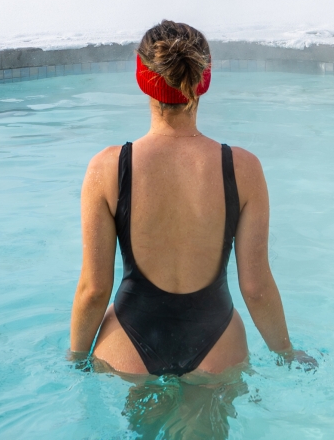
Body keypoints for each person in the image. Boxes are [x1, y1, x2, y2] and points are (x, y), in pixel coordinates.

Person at [69, 19, 299, 379]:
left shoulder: (108, 168)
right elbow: (255, 289)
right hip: (218, 348)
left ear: (142, 76)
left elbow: (94, 290)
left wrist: (75, 358)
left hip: (127, 346)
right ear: (204, 80)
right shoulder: (243, 168)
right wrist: (286, 353)